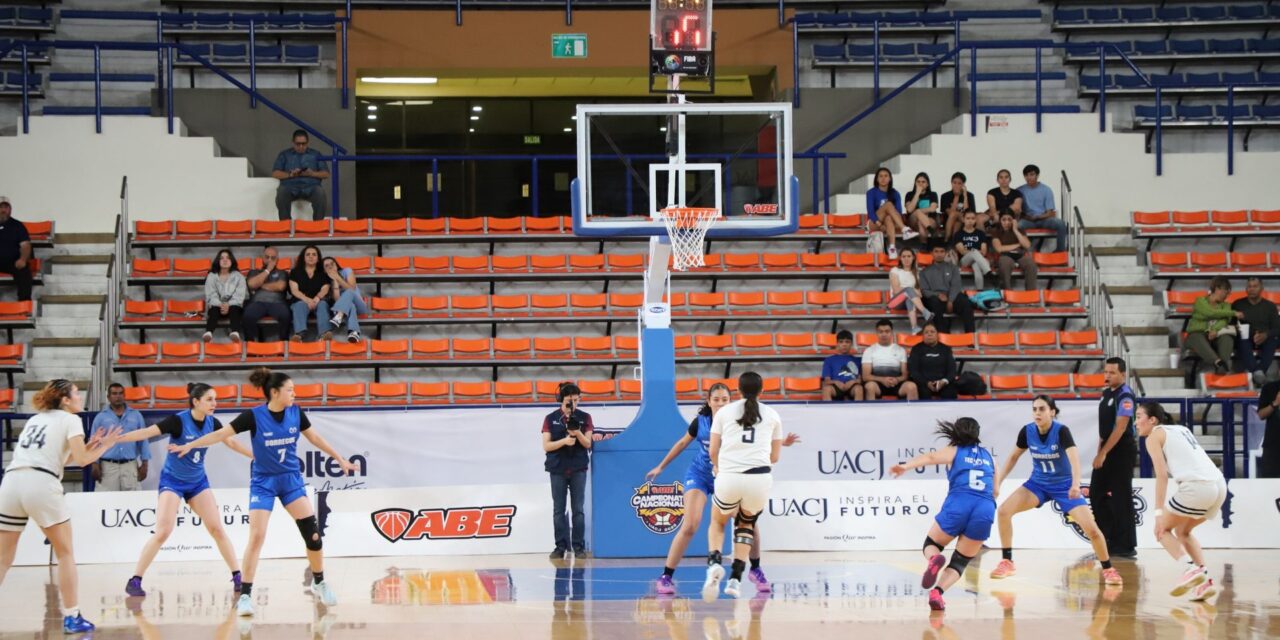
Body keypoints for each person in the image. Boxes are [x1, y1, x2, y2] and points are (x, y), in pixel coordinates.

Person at [166, 367, 358, 616]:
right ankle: (245, 595)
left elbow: (315, 439)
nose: (294, 394)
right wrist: (190, 444)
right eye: (290, 390)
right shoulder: (253, 416)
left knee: (313, 535)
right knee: (257, 537)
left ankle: (319, 581)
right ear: (275, 392)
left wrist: (340, 459)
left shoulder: (296, 413)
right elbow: (221, 434)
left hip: (290, 481)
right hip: (263, 482)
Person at [646, 384, 798, 595]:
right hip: (700, 475)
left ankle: (756, 569)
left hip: (728, 477)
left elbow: (759, 440)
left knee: (749, 524)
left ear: (731, 401)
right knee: (690, 525)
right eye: (716, 399)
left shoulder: (737, 419)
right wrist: (661, 466)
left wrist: (783, 443)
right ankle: (666, 576)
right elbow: (682, 443)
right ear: (708, 401)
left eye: (724, 399)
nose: (720, 403)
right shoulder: (701, 422)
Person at [0, 379, 124, 633]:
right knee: (65, 553)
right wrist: (107, 445)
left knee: (3, 559)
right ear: (65, 400)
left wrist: (91, 444)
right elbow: (82, 461)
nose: (80, 397)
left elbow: (60, 458)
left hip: (11, 481)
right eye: (76, 394)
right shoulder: (71, 420)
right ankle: (72, 616)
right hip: (41, 485)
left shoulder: (37, 418)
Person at [112, 383, 254, 597]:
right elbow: (148, 432)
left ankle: (237, 576)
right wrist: (118, 438)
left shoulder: (213, 423)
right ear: (196, 402)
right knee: (163, 532)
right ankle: (135, 580)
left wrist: (255, 456)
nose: (215, 404)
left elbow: (231, 443)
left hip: (198, 482)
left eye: (215, 399)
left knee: (217, 528)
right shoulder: (178, 421)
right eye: (210, 399)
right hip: (173, 481)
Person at [989, 395, 1122, 586]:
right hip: (1038, 484)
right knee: (1003, 511)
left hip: (1064, 486)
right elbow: (1012, 458)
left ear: (1052, 412)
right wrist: (998, 483)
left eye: (1042, 409)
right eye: (1034, 409)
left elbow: (1075, 460)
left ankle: (1108, 569)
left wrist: (1076, 484)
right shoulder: (1027, 431)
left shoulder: (1061, 431)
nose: (1037, 413)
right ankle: (1007, 562)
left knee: (1092, 530)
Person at [890, 418, 1000, 612]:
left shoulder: (954, 451)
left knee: (931, 545)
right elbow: (996, 491)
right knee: (961, 561)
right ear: (978, 434)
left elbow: (931, 458)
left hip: (959, 502)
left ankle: (934, 559)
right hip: (985, 508)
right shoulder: (991, 458)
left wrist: (905, 466)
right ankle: (937, 593)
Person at [702, 372, 784, 600]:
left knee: (718, 522)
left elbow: (712, 451)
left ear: (737, 390)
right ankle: (736, 578)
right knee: (746, 525)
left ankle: (715, 561)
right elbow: (774, 456)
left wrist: (718, 467)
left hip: (730, 475)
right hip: (759, 478)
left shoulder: (724, 412)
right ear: (762, 391)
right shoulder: (773, 415)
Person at [1136, 401, 1227, 602]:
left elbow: (1161, 476)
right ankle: (1203, 582)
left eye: (1139, 416)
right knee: (1183, 532)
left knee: (1161, 531)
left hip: (1197, 486)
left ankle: (1190, 568)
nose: (1136, 422)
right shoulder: (1181, 429)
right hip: (1219, 486)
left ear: (1152, 420)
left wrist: (1158, 513)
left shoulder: (1153, 436)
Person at [1091, 358, 1138, 560]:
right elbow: (1105, 427)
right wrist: (1100, 449)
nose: (1107, 375)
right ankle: (1108, 537)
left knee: (1122, 496)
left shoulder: (1125, 396)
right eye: (1106, 372)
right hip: (1107, 449)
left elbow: (1120, 428)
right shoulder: (1106, 394)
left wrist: (1104, 453)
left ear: (1122, 374)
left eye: (1112, 372)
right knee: (1096, 492)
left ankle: (1126, 545)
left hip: (1122, 450)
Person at [542, 382, 593, 559]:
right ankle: (560, 547)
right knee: (559, 510)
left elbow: (588, 443)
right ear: (561, 400)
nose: (573, 405)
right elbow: (546, 446)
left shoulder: (585, 417)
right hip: (557, 468)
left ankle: (578, 546)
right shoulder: (551, 418)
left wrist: (577, 432)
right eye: (570, 401)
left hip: (578, 467)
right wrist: (564, 441)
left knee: (578, 509)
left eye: (576, 401)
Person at [90, 382, 151, 491]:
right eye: (114, 393)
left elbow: (143, 439)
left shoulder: (136, 415)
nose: (118, 396)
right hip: (107, 467)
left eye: (120, 393)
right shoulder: (100, 417)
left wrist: (145, 463)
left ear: (124, 396)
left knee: (132, 501)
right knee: (106, 501)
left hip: (130, 465)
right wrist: (94, 464)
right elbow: (94, 442)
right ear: (108, 397)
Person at [272, 129, 330, 221]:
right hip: (290, 186)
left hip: (311, 186)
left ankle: (318, 224)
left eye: (304, 144)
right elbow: (275, 173)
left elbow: (326, 174)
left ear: (308, 143)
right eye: (298, 144)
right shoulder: (284, 154)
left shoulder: (316, 154)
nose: (301, 146)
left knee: (320, 193)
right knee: (282, 192)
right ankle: (286, 224)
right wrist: (290, 174)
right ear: (293, 143)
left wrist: (312, 173)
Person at [1231, 277, 1280, 385]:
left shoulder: (1270, 306)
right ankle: (1258, 372)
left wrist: (1265, 334)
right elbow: (1230, 324)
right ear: (1246, 289)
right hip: (1246, 337)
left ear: (1261, 288)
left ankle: (1259, 371)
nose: (1251, 289)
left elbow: (1277, 328)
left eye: (1255, 286)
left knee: (1273, 338)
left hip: (1266, 338)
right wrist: (1236, 327)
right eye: (1249, 286)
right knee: (1241, 338)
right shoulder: (1237, 304)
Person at [1185, 276, 1237, 375]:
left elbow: (1225, 320)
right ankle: (1218, 362)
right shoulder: (1200, 301)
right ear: (1217, 289)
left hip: (1215, 335)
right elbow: (1209, 313)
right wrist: (1232, 313)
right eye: (1226, 292)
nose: (1226, 295)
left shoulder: (1226, 306)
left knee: (1227, 338)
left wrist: (1214, 329)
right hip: (1197, 334)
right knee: (1196, 337)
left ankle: (1222, 366)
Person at [921, 242, 976, 334]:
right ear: (931, 253)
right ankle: (944, 336)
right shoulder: (924, 272)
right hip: (935, 299)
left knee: (966, 303)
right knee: (933, 303)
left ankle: (971, 337)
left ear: (946, 253)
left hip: (951, 297)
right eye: (936, 251)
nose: (939, 254)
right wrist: (937, 294)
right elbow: (924, 290)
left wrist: (950, 300)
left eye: (942, 251)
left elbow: (956, 285)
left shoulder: (953, 268)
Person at [242, 246, 291, 342]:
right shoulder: (253, 272)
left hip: (278, 303)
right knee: (247, 316)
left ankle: (283, 346)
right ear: (262, 258)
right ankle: (251, 346)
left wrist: (260, 285)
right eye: (267, 257)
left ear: (277, 259)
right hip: (257, 303)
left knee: (286, 316)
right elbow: (252, 284)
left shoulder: (282, 273)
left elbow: (280, 286)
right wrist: (267, 270)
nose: (270, 260)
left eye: (273, 258)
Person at [862, 319, 918, 401]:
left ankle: (912, 413)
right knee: (869, 386)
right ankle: (871, 413)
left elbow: (905, 375)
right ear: (876, 333)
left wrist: (897, 380)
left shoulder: (901, 350)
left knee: (911, 387)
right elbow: (866, 376)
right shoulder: (869, 350)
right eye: (881, 332)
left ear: (892, 332)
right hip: (877, 384)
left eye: (887, 331)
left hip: (896, 383)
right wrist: (883, 380)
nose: (884, 334)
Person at [1017, 164, 1068, 252]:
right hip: (1028, 220)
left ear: (1037, 175)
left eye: (1032, 174)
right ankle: (1022, 250)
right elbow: (1018, 210)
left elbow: (1050, 213)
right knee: (1018, 225)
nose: (1029, 177)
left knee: (1060, 224)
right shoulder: (1019, 190)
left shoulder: (1046, 190)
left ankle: (1060, 251)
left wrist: (1038, 217)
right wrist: (1027, 217)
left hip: (1044, 219)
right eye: (1026, 175)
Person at [288, 244, 332, 342]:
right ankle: (299, 335)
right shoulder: (295, 272)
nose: (311, 256)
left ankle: (324, 335)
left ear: (318, 258)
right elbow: (294, 290)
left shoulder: (323, 273)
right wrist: (308, 300)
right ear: (303, 258)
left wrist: (317, 298)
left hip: (318, 300)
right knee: (299, 305)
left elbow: (325, 288)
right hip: (301, 300)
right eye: (308, 254)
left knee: (323, 304)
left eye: (314, 254)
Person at [204, 248, 247, 343]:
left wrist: (228, 304)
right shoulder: (211, 276)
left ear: (232, 261)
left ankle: (235, 332)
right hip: (217, 306)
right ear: (218, 261)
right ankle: (209, 332)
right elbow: (210, 294)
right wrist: (220, 304)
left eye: (227, 258)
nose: (225, 260)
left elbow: (239, 296)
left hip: (233, 306)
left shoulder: (239, 277)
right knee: (214, 309)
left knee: (234, 308)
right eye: (221, 258)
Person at [887, 247, 933, 333]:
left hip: (909, 301)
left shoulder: (916, 273)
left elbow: (919, 294)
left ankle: (914, 328)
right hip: (895, 302)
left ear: (913, 258)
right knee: (908, 290)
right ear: (900, 258)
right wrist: (911, 290)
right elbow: (896, 290)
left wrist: (912, 291)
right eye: (904, 256)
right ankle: (925, 312)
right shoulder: (895, 270)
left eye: (909, 256)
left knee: (909, 299)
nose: (906, 259)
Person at [992, 210, 1039, 291]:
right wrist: (1018, 245)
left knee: (1031, 264)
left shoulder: (1020, 230)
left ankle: (1030, 295)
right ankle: (1008, 293)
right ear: (1000, 221)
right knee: (1004, 264)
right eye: (1004, 220)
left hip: (1020, 255)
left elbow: (1027, 245)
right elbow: (999, 249)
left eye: (1009, 220)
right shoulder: (996, 231)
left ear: (1014, 221)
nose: (1006, 222)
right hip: (1005, 255)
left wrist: (1015, 230)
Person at [908, 323, 958, 400]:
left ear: (937, 334)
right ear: (923, 335)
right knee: (924, 393)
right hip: (923, 384)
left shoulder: (946, 349)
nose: (929, 334)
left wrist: (944, 381)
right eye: (926, 332)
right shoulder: (916, 349)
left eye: (932, 332)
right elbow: (914, 371)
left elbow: (952, 370)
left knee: (950, 392)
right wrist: (926, 383)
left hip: (943, 383)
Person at [866, 167, 906, 259]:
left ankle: (892, 248)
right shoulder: (871, 192)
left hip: (891, 223)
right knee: (888, 205)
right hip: (875, 222)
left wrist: (888, 224)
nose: (883, 178)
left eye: (886, 176)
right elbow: (871, 213)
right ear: (877, 179)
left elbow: (899, 213)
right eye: (880, 176)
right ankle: (905, 229)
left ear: (890, 178)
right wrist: (880, 225)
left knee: (888, 218)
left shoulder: (895, 193)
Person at [323, 257, 366, 343]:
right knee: (350, 306)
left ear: (336, 264)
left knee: (349, 292)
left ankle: (339, 315)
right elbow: (338, 300)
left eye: (332, 264)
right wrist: (334, 281)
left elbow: (352, 289)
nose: (331, 267)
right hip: (345, 307)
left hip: (359, 305)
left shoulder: (347, 271)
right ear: (324, 270)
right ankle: (354, 332)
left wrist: (338, 278)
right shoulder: (325, 281)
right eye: (327, 266)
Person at [0, 197, 34, 301]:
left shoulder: (18, 226)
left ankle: (24, 304)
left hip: (13, 262)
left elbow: (25, 245)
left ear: (10, 210)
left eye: (6, 207)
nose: (3, 210)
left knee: (24, 271)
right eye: (1, 207)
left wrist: (23, 259)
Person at [951, 210, 993, 290]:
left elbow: (984, 252)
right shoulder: (958, 234)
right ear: (963, 219)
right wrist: (975, 251)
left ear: (975, 220)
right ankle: (988, 272)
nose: (970, 221)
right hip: (964, 261)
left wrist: (970, 250)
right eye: (968, 218)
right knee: (974, 252)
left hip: (978, 260)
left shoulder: (980, 234)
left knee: (977, 266)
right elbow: (962, 251)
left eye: (973, 218)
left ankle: (979, 291)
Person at [821, 330, 863, 401]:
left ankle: (857, 411)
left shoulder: (857, 360)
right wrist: (836, 382)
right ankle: (828, 412)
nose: (844, 344)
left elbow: (860, 380)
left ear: (851, 344)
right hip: (835, 387)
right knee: (826, 389)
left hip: (852, 387)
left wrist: (853, 382)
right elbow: (826, 381)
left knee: (859, 388)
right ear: (837, 344)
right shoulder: (829, 360)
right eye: (841, 342)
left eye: (847, 342)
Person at [940, 172, 977, 241]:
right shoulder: (945, 196)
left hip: (964, 220)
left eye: (959, 183)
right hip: (949, 221)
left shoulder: (969, 195)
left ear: (963, 184)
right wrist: (956, 197)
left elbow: (968, 213)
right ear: (951, 183)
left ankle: (946, 240)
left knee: (958, 219)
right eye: (954, 182)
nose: (956, 185)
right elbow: (950, 213)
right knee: (956, 222)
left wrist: (965, 196)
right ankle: (951, 241)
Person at [903, 172, 938, 241]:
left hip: (930, 220)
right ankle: (930, 231)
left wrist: (918, 212)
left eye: (923, 182)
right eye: (918, 182)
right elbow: (909, 209)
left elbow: (933, 209)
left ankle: (924, 245)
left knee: (920, 222)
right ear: (915, 183)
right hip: (913, 221)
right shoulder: (909, 194)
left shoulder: (933, 194)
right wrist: (917, 193)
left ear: (927, 184)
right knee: (918, 212)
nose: (920, 184)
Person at [1256, 379, 1280, 477]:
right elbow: (1261, 415)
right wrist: (1275, 403)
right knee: (1270, 483)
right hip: (1273, 445)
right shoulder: (1269, 388)